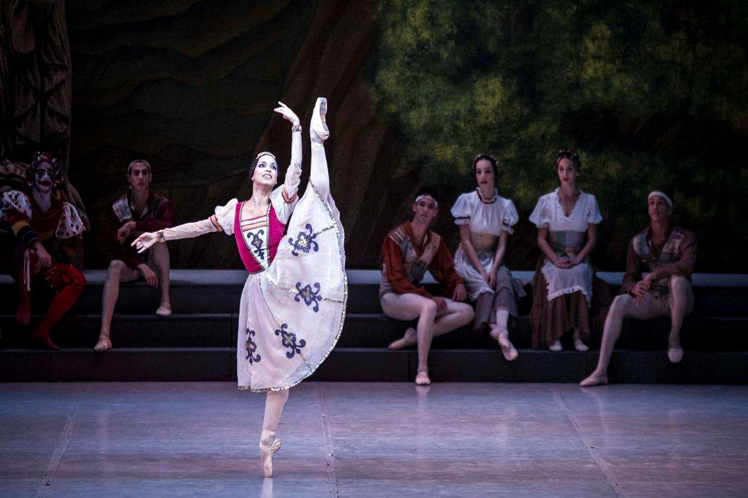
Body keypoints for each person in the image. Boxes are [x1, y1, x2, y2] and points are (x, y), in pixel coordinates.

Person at [133, 98, 346, 478]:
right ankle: (267, 439)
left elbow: (295, 172)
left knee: (316, 192)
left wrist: (296, 130)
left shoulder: (280, 205)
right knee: (277, 374)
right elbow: (198, 226)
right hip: (261, 295)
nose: (269, 169)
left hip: (288, 275)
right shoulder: (233, 212)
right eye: (263, 164)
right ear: (252, 175)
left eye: (272, 166)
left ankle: (317, 137)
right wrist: (161, 234)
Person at [580, 187, 697, 387]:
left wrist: (657, 274)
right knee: (619, 301)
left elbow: (686, 266)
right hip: (653, 298)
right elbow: (629, 277)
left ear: (669, 209)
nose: (655, 208)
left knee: (677, 281)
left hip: (677, 300)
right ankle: (601, 370)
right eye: (652, 203)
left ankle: (674, 339)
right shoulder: (638, 241)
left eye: (660, 203)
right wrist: (634, 287)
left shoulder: (684, 237)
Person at [380, 187, 474, 386]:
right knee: (429, 306)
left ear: (435, 213)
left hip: (413, 297)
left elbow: (447, 270)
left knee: (466, 312)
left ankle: (414, 337)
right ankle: (422, 369)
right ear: (414, 207)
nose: (425, 209)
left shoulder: (434, 241)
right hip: (392, 296)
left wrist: (457, 283)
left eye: (430, 207)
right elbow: (396, 279)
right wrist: (428, 297)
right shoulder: (395, 237)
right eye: (421, 204)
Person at [0, 151, 85, 350]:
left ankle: (43, 329)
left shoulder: (61, 207)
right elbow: (18, 224)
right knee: (28, 252)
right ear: (33, 176)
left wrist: (53, 260)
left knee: (78, 280)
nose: (45, 178)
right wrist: (38, 247)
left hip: (43, 263)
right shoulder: (21, 199)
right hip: (21, 261)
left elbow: (70, 244)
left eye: (49, 173)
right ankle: (25, 304)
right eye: (40, 173)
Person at [94, 159, 175, 352]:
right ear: (129, 178)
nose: (140, 177)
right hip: (132, 265)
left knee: (159, 240)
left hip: (154, 261)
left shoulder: (161, 204)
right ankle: (104, 335)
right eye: (136, 173)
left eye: (144, 173)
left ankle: (165, 299)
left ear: (150, 177)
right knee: (114, 266)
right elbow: (115, 246)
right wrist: (140, 265)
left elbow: (168, 227)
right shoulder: (118, 207)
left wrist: (134, 226)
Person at [450, 154, 524, 361]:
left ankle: (502, 330)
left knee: (503, 280)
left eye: (487, 171)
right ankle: (500, 333)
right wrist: (482, 271)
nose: (483, 176)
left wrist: (492, 268)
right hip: (469, 258)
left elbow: (501, 245)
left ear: (494, 174)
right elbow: (465, 241)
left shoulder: (505, 205)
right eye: (479, 172)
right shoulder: (467, 201)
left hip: (493, 257)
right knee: (484, 287)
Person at [529, 150, 602, 351]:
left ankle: (578, 335)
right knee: (558, 276)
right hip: (554, 256)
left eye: (569, 169)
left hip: (578, 255)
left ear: (577, 172)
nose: (565, 173)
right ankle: (555, 336)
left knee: (579, 274)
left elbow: (592, 238)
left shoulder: (588, 201)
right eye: (561, 169)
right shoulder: (547, 201)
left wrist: (578, 259)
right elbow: (541, 240)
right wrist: (555, 259)